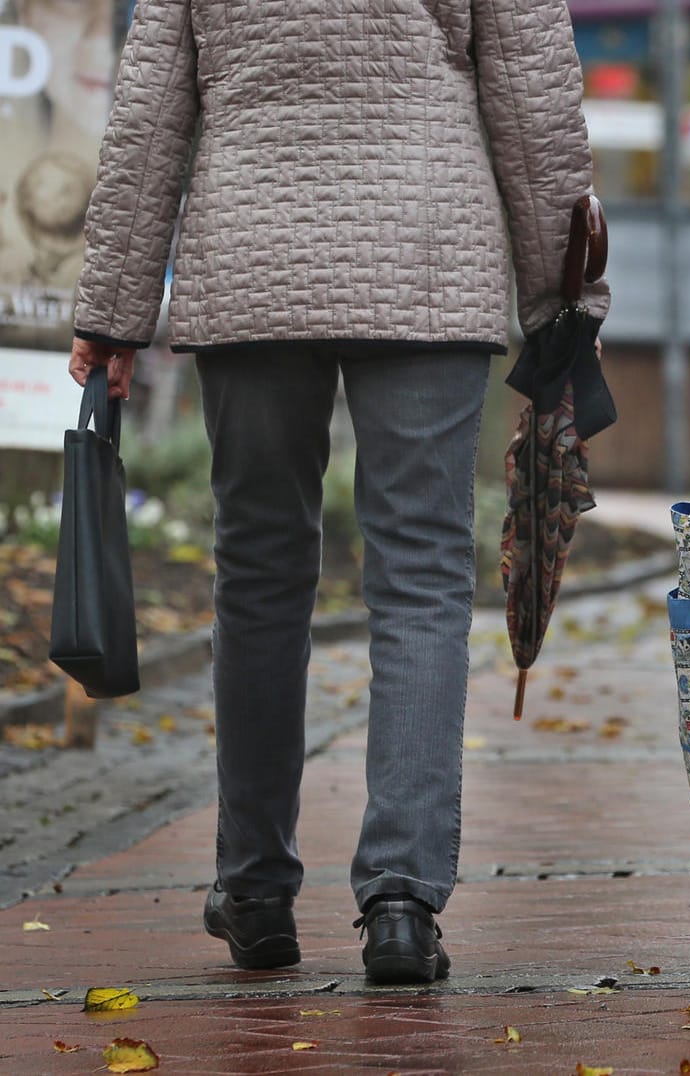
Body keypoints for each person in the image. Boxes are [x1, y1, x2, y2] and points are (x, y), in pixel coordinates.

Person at [67, 0, 605, 983]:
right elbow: (533, 105)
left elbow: (150, 110)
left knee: (260, 573)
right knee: (424, 574)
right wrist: (561, 298)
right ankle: (402, 895)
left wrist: (113, 309)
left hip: (252, 260)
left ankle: (256, 885)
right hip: (428, 257)